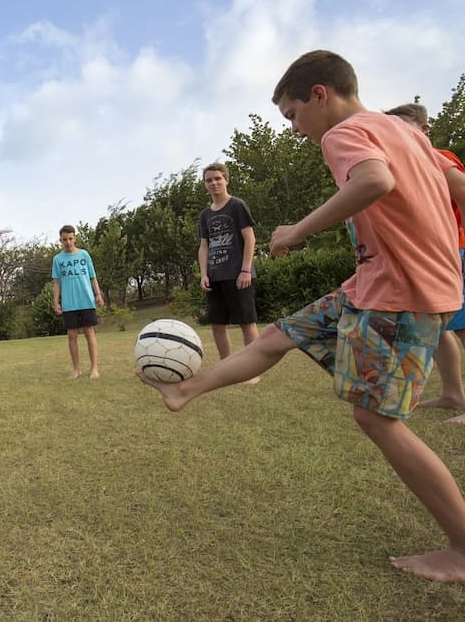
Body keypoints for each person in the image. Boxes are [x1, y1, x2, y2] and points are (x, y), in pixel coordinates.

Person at [139, 50, 465, 583]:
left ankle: (462, 548)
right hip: (380, 281)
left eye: (292, 116)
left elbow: (375, 182)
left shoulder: (345, 132)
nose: (293, 130)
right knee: (278, 335)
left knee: (376, 418)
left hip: (398, 291)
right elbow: (453, 189)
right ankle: (185, 390)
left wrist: (296, 231)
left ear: (320, 94)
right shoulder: (405, 130)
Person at [384, 103, 465, 425]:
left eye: (404, 127)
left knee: (462, 328)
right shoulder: (408, 165)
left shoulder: (435, 158)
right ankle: (453, 393)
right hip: (435, 256)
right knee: (443, 326)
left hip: (456, 251)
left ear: (424, 129)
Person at [198, 163, 260, 383]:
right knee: (217, 324)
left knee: (246, 322)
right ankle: (227, 367)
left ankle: (252, 371)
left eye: (217, 178)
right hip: (215, 276)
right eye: (209, 180)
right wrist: (204, 273)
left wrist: (245, 270)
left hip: (238, 274)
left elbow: (250, 238)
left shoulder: (237, 206)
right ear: (205, 184)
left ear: (226, 180)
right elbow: (204, 246)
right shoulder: (205, 215)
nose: (213, 183)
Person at [52, 225, 105, 378]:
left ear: (75, 238)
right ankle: (76, 370)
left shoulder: (84, 255)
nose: (68, 242)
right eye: (64, 239)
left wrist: (98, 294)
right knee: (72, 335)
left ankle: (94, 369)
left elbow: (92, 277)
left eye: (70, 238)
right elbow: (56, 282)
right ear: (60, 240)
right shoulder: (57, 259)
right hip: (69, 303)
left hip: (86, 300)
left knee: (89, 332)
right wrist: (56, 301)